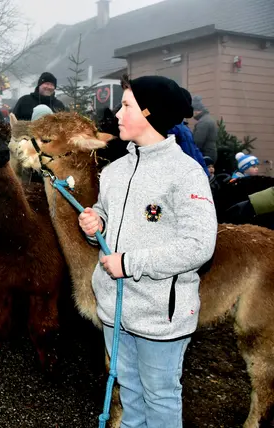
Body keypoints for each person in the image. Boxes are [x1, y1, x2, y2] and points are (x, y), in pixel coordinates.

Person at [78, 74, 217, 427]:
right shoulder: (115, 170)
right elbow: (110, 219)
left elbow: (200, 244)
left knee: (160, 397)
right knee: (130, 393)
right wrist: (98, 224)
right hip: (115, 309)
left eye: (127, 106)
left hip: (161, 316)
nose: (118, 115)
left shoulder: (185, 173)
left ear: (150, 113)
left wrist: (130, 263)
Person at [191, 95, 218, 163]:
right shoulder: (208, 119)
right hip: (211, 153)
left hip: (205, 155)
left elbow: (197, 142)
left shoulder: (203, 123)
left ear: (197, 110)